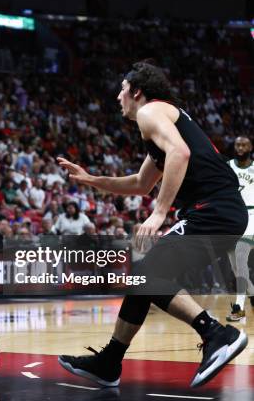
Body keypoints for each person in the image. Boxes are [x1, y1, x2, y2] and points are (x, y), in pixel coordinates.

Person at [57, 61, 248, 388]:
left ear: (137, 92)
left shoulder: (150, 113)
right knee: (144, 277)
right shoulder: (165, 118)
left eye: (122, 89)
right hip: (222, 211)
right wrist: (90, 179)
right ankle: (109, 361)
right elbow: (141, 183)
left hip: (214, 209)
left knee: (147, 273)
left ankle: (219, 333)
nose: (118, 96)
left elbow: (180, 153)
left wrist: (159, 213)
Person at [226, 136, 254, 321]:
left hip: (251, 216)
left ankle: (239, 309)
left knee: (242, 257)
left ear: (250, 147)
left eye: (244, 144)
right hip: (231, 218)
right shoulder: (227, 166)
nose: (241, 147)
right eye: (238, 144)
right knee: (236, 269)